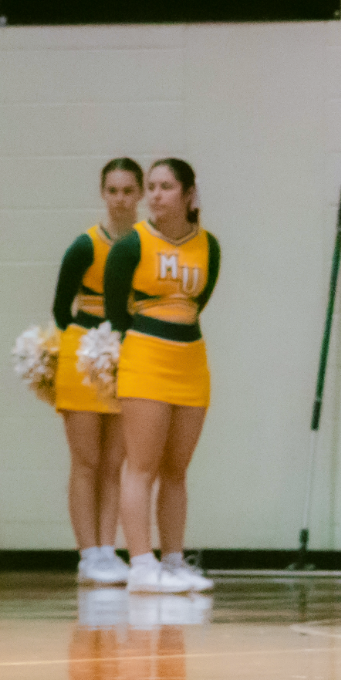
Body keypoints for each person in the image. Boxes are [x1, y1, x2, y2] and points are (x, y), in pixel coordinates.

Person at [105, 159, 221, 594]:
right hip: (145, 360)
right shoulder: (131, 245)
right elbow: (116, 311)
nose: (154, 194)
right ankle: (141, 564)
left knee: (177, 469)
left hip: (191, 362)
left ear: (189, 194)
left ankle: (173, 561)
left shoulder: (209, 246)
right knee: (141, 466)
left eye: (165, 186)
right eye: (151, 186)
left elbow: (199, 301)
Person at [52, 158, 144, 586]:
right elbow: (60, 308)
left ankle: (109, 549)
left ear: (140, 194)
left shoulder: (147, 245)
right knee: (86, 460)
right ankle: (87, 553)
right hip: (84, 356)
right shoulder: (85, 246)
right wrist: (85, 346)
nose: (120, 200)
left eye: (128, 191)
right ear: (103, 194)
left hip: (129, 356)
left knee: (114, 462)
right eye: (113, 191)